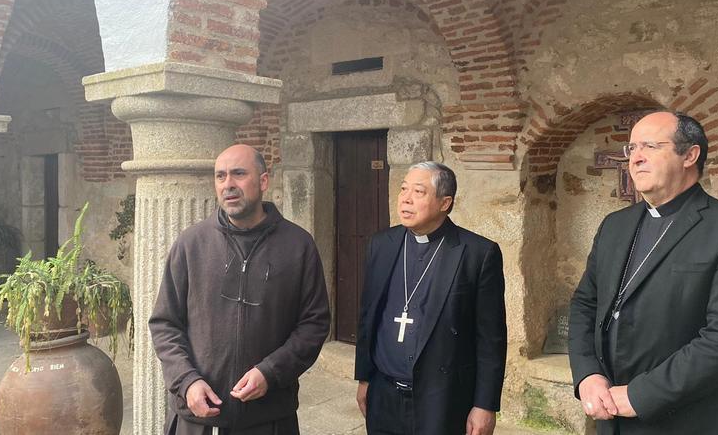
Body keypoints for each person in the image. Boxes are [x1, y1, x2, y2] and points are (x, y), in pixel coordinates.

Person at [568, 111, 718, 434]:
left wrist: (640, 394)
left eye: (649, 146)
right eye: (631, 149)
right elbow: (584, 304)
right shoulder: (614, 226)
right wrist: (588, 374)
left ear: (690, 155)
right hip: (613, 416)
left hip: (693, 419)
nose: (636, 159)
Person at [149, 144, 331, 435]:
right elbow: (164, 324)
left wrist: (270, 372)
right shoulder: (191, 244)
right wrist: (187, 381)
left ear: (263, 181)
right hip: (197, 419)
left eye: (238, 174)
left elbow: (314, 324)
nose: (228, 185)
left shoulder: (298, 246)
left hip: (268, 418)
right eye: (220, 176)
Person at [355, 161, 507, 435]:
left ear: (444, 202)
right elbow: (368, 318)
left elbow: (491, 339)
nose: (406, 198)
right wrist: (364, 378)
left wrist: (485, 405)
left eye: (419, 192)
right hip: (383, 395)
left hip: (442, 400)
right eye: (403, 189)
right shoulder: (381, 244)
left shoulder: (477, 254)